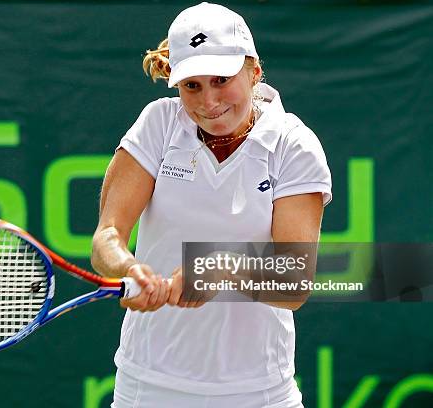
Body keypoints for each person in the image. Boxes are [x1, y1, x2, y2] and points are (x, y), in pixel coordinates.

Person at [91, 2, 332, 407]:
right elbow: (107, 237)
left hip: (259, 394)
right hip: (147, 389)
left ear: (254, 72)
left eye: (222, 79)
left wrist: (217, 268)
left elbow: (294, 280)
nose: (209, 101)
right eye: (192, 86)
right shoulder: (158, 124)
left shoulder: (293, 145)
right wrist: (128, 268)